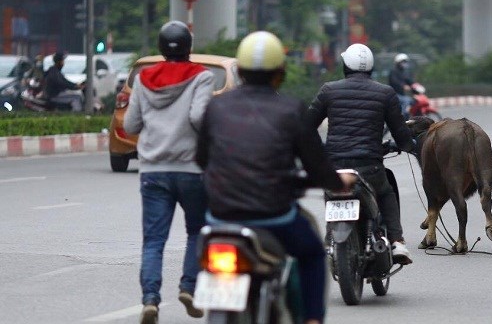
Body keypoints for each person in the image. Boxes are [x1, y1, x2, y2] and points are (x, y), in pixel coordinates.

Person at [196, 31, 355, 324]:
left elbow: (201, 159)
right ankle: (312, 319)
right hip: (274, 217)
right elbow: (317, 167)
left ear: (240, 71)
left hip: (222, 217)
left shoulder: (216, 107)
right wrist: (338, 182)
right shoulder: (290, 109)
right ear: (280, 74)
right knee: (311, 255)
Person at [124, 20, 215, 324]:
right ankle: (188, 287)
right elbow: (199, 116)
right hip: (191, 169)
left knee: (153, 240)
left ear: (161, 47)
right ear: (189, 46)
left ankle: (150, 299)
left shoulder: (143, 78)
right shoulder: (201, 77)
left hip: (153, 170)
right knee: (196, 232)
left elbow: (130, 125)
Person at [307, 43, 416, 265]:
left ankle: (331, 236)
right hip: (370, 167)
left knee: (332, 190)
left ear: (345, 66)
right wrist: (407, 146)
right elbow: (401, 134)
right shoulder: (385, 93)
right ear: (371, 68)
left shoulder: (328, 90)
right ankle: (396, 241)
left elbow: (305, 126)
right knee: (386, 193)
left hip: (335, 166)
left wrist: (319, 151)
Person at [389, 53, 415, 118]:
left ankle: (407, 117)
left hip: (401, 95)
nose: (404, 63)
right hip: (394, 94)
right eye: (403, 62)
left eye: (405, 62)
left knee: (413, 100)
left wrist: (416, 85)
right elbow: (394, 81)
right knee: (407, 100)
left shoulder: (403, 72)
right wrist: (403, 86)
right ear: (398, 63)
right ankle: (401, 118)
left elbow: (409, 81)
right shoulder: (393, 71)